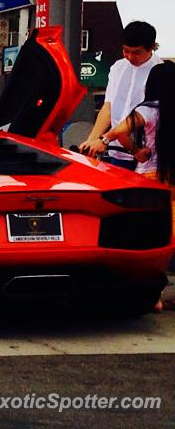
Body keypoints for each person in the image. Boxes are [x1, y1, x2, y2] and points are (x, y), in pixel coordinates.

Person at [92, 61, 175, 313]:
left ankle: (155, 296)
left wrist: (132, 150)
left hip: (150, 181)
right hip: (172, 179)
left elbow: (120, 130)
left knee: (154, 241)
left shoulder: (149, 110)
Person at [79, 21, 161, 168]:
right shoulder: (118, 67)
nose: (129, 57)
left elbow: (145, 115)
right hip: (115, 150)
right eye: (125, 50)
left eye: (136, 52)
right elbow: (108, 108)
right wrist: (92, 139)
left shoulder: (159, 72)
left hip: (146, 155)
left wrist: (104, 139)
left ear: (152, 48)